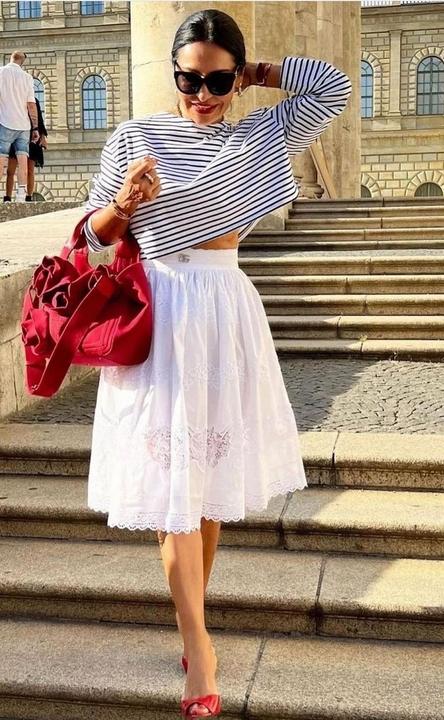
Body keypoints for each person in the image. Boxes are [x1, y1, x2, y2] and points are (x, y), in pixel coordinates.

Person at [79, 9, 352, 718]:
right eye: (189, 79)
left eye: (218, 80)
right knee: (174, 486)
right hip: (162, 316)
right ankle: (199, 647)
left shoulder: (262, 133)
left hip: (226, 312)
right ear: (172, 74)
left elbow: (333, 85)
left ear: (237, 77)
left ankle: (190, 621)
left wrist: (259, 74)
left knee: (205, 485)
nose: (202, 94)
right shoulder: (135, 136)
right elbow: (89, 235)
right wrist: (123, 203)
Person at [0, 51, 39, 202]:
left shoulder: (1, 72)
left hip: (5, 122)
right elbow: (31, 105)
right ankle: (21, 194)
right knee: (23, 159)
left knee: (1, 159)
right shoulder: (27, 77)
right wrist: (35, 128)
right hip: (23, 125)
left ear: (11, 58)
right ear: (22, 62)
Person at [4, 96, 47, 202]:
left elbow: (39, 119)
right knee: (10, 170)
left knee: (30, 170)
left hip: (32, 137)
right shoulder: (13, 99)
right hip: (15, 135)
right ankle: (7, 197)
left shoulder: (34, 100)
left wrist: (43, 136)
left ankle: (29, 197)